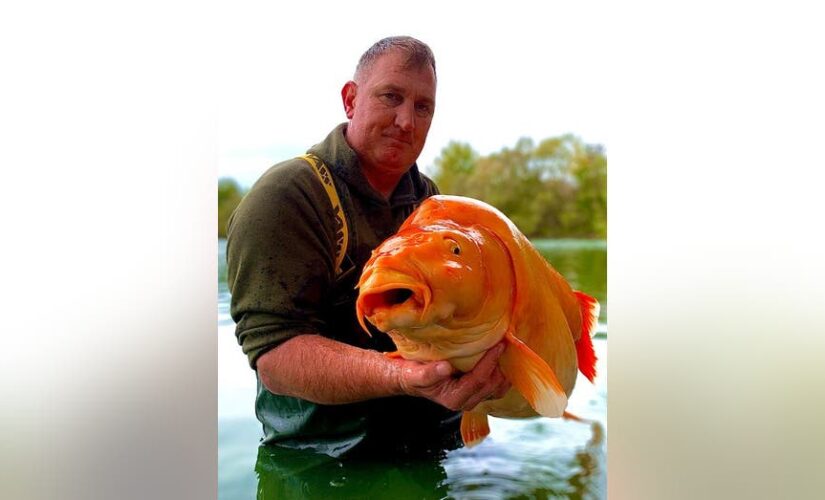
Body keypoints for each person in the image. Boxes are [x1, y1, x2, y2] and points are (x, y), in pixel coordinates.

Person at [226, 36, 510, 457]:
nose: (405, 122)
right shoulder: (286, 195)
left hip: (435, 446)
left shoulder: (431, 202)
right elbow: (275, 357)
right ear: (350, 99)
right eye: (390, 97)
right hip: (321, 461)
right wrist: (400, 376)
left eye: (422, 107)